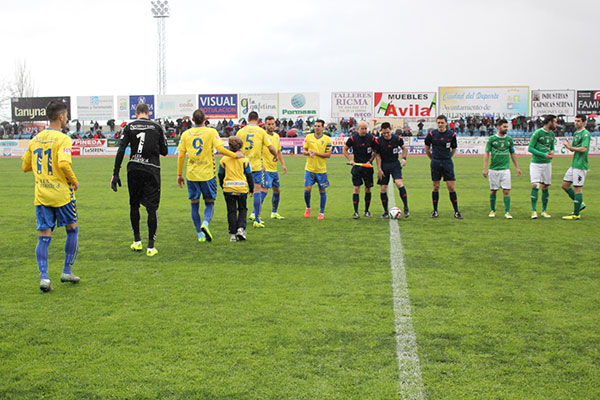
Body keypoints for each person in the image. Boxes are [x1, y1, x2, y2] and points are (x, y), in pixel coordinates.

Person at [21, 100, 80, 292]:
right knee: (72, 228)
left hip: (42, 194)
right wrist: (74, 180)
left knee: (44, 235)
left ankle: (44, 277)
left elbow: (25, 166)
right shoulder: (63, 139)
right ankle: (66, 270)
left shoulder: (35, 139)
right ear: (61, 116)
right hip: (62, 194)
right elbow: (64, 164)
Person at [111, 103, 168, 256]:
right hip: (152, 169)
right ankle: (151, 246)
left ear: (136, 114)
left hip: (134, 168)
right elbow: (165, 151)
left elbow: (121, 149)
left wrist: (115, 173)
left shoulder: (129, 127)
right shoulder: (156, 127)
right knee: (152, 208)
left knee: (134, 205)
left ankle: (137, 242)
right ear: (148, 113)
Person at [177, 109, 242, 242]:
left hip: (192, 174)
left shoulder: (185, 134)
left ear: (193, 120)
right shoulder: (211, 132)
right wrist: (234, 155)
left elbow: (181, 155)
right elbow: (220, 149)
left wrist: (179, 174)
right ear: (205, 119)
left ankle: (200, 235)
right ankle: (205, 224)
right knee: (209, 203)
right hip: (207, 174)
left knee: (194, 204)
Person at [235, 111, 277, 228]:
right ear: (258, 120)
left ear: (248, 119)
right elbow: (271, 147)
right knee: (257, 192)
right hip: (256, 167)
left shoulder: (241, 131)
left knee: (240, 192)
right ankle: (257, 219)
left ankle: (239, 218)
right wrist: (275, 155)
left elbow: (235, 148)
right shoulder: (261, 132)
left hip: (242, 166)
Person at [424, 115, 462, 219]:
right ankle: (435, 211)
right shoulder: (432, 134)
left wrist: (448, 157)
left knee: (451, 187)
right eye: (439, 123)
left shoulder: (451, 134)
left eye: (442, 122)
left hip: (447, 162)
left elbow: (453, 148)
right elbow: (427, 148)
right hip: (435, 162)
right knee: (436, 187)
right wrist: (432, 158)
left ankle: (456, 211)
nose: (440, 124)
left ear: (446, 123)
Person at [482, 119, 522, 219]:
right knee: (493, 191)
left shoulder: (509, 140)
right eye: (504, 127)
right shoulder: (492, 139)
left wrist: (517, 167)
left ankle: (507, 212)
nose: (506, 129)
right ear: (498, 127)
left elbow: (512, 153)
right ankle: (492, 210)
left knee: (506, 191)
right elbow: (487, 153)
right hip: (494, 169)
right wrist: (485, 168)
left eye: (507, 127)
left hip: (505, 169)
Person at [218, 136, 254, 242]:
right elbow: (249, 176)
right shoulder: (244, 160)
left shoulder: (224, 159)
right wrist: (251, 189)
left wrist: (223, 186)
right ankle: (240, 228)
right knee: (243, 209)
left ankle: (232, 234)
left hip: (228, 189)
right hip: (241, 188)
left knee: (231, 211)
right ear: (241, 147)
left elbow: (220, 175)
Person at [375, 122, 409, 218]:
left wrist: (404, 158)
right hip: (384, 165)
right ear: (381, 131)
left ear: (391, 130)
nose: (386, 135)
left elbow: (404, 149)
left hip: (395, 164)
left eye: (388, 133)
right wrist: (379, 169)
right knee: (383, 188)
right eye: (384, 133)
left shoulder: (397, 139)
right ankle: (385, 212)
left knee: (399, 183)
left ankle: (406, 208)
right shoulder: (378, 141)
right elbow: (377, 155)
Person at [343, 121, 377, 218]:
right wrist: (350, 160)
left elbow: (376, 151)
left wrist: (370, 161)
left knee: (368, 189)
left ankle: (366, 211)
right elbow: (344, 149)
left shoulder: (371, 138)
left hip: (368, 168)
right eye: (362, 128)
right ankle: (356, 212)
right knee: (356, 188)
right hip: (357, 167)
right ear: (358, 129)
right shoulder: (353, 138)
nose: (364, 130)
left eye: (366, 128)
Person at [561, 115, 590, 220]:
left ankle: (576, 214)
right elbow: (573, 149)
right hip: (574, 164)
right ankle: (580, 204)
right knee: (565, 185)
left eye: (578, 121)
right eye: (575, 121)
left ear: (584, 122)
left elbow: (584, 149)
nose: (576, 123)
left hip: (581, 165)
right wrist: (568, 146)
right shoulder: (576, 133)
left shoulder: (585, 134)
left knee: (577, 188)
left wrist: (570, 147)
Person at [528, 114, 556, 219]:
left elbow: (552, 147)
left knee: (545, 186)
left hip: (547, 164)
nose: (556, 124)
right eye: (555, 122)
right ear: (549, 122)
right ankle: (533, 210)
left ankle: (544, 210)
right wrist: (544, 154)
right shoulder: (538, 133)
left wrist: (552, 152)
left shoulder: (552, 135)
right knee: (535, 185)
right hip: (536, 163)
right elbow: (530, 148)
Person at [302, 119, 332, 220]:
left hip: (321, 170)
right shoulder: (308, 137)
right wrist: (308, 153)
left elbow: (328, 155)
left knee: (322, 190)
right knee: (307, 189)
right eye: (315, 126)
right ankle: (308, 207)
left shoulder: (327, 139)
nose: (316, 128)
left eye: (319, 126)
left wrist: (316, 153)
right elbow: (304, 150)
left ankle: (321, 212)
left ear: (323, 127)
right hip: (309, 169)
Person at [261, 116, 288, 220]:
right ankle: (255, 213)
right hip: (266, 169)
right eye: (269, 124)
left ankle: (274, 212)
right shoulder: (262, 136)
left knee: (277, 190)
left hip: (274, 169)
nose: (271, 126)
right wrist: (261, 164)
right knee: (264, 190)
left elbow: (278, 151)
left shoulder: (277, 136)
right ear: (265, 125)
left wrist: (283, 165)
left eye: (272, 124)